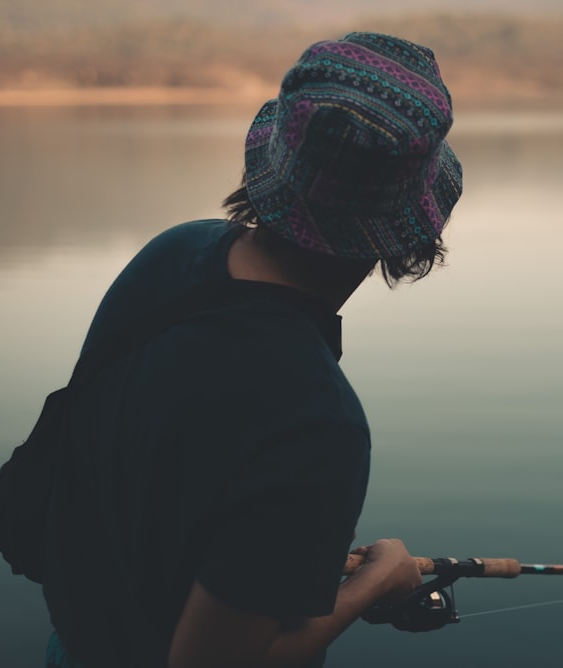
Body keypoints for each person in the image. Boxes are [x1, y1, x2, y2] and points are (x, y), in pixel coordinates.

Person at [40, 32, 463, 668]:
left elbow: (156, 473)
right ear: (406, 229)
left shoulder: (171, 255)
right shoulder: (319, 427)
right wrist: (378, 582)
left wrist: (290, 556)